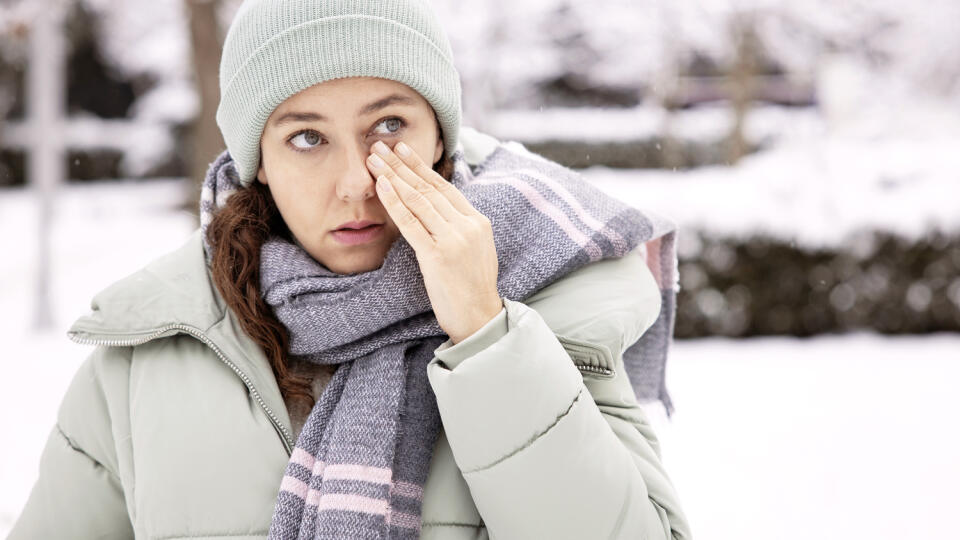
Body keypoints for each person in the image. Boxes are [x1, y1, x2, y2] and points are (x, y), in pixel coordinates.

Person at [9, 0, 692, 539]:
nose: (355, 184)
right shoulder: (148, 355)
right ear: (260, 166)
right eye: (307, 138)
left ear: (439, 139)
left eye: (389, 127)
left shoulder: (554, 301)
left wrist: (487, 335)